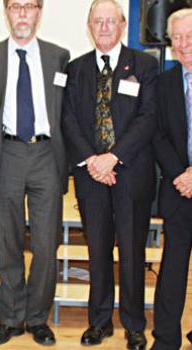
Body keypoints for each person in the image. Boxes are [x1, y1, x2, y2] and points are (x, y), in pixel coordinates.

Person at [0, 0, 70, 346]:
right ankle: (11, 318)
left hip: (46, 154)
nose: (23, 14)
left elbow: (66, 113)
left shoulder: (60, 56)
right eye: (16, 6)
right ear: (6, 12)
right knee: (7, 243)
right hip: (6, 154)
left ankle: (37, 318)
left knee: (46, 246)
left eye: (30, 6)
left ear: (40, 12)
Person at [62, 1, 157, 349]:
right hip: (91, 176)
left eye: (110, 21)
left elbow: (147, 118)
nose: (104, 27)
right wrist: (93, 161)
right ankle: (99, 321)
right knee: (98, 251)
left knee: (132, 253)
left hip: (131, 174)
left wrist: (113, 158)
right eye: (97, 21)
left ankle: (134, 324)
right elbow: (68, 120)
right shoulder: (76, 69)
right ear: (89, 25)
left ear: (121, 24)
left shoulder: (145, 65)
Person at [151, 8, 192, 350]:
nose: (183, 44)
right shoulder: (164, 83)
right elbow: (158, 135)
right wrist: (182, 175)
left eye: (189, 36)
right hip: (178, 190)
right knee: (173, 269)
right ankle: (165, 339)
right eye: (176, 37)